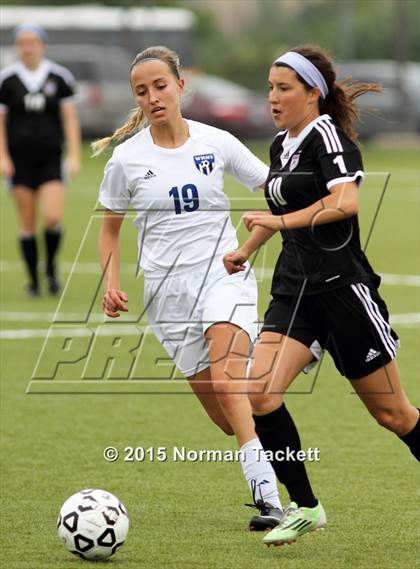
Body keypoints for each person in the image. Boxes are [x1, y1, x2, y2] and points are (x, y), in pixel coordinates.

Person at [224, 45, 420, 547]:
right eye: (270, 87)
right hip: (295, 292)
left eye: (284, 88)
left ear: (314, 94)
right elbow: (277, 208)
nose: (273, 96)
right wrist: (246, 249)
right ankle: (306, 507)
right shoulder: (280, 145)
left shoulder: (327, 136)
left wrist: (277, 220)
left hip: (343, 292)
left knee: (394, 415)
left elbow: (345, 201)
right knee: (261, 393)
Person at [93, 45, 286, 531]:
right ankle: (287, 360)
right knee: (229, 416)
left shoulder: (217, 142)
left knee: (228, 383)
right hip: (166, 296)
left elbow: (277, 191)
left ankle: (269, 497)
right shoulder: (127, 159)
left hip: (223, 276)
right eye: (142, 91)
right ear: (136, 100)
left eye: (161, 86)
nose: (153, 97)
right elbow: (110, 229)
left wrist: (256, 238)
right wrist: (111, 283)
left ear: (181, 86)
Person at [0, 24, 80, 296]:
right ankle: (33, 281)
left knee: (53, 216)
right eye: (22, 42)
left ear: (42, 45)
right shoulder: (7, 79)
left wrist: (74, 155)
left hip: (50, 157)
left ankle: (50, 269)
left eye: (32, 42)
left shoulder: (59, 77)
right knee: (26, 221)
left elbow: (69, 118)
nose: (27, 47)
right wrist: (3, 157)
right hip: (19, 161)